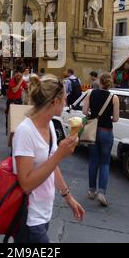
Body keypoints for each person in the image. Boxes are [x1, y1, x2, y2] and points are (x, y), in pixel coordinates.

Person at [13, 74, 85, 244]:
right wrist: (60, 154)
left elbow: (51, 165)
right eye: (65, 99)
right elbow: (26, 184)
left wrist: (68, 197)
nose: (66, 103)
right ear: (55, 102)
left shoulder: (51, 124)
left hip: (44, 213)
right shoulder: (25, 131)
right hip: (29, 217)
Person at [82, 73, 120, 207]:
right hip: (106, 132)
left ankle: (91, 191)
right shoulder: (114, 97)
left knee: (93, 160)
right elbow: (115, 119)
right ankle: (101, 193)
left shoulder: (90, 94)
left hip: (93, 130)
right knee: (105, 163)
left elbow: (84, 112)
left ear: (100, 82)